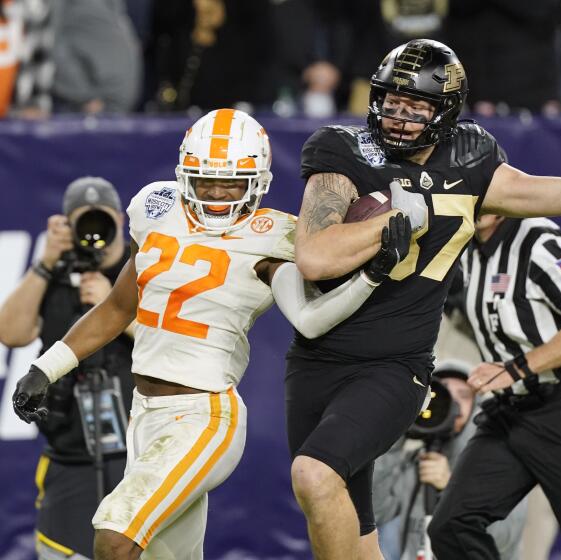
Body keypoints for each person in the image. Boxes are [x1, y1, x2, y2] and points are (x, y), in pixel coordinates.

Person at [288, 37, 561, 560]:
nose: (399, 117)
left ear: (445, 112)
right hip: (315, 362)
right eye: (391, 101)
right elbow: (314, 258)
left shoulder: (471, 158)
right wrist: (401, 218)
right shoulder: (341, 148)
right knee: (349, 524)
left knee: (314, 475)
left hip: (393, 366)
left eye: (416, 107)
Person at [11, 108, 411, 560]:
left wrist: (370, 277)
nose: (218, 194)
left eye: (231, 183)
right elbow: (120, 306)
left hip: (204, 415)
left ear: (257, 181)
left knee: (114, 534)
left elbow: (310, 318)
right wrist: (47, 368)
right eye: (207, 181)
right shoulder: (156, 207)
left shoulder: (273, 234)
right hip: (145, 414)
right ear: (185, 175)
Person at [428, 212, 561, 559]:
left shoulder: (536, 239)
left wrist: (518, 368)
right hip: (510, 411)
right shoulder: (465, 245)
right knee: (452, 526)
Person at [0, 177, 134, 559]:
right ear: (67, 225)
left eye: (102, 219)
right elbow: (10, 333)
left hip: (140, 458)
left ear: (121, 220)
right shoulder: (55, 278)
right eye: (84, 221)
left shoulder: (141, 271)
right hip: (68, 457)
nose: (95, 232)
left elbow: (172, 345)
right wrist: (44, 264)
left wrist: (114, 308)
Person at [373, 360, 527, 560]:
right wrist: (395, 434)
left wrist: (450, 487)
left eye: (463, 396)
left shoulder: (501, 462)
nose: (451, 404)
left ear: (477, 406)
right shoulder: (417, 461)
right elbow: (375, 511)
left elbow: (503, 538)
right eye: (441, 396)